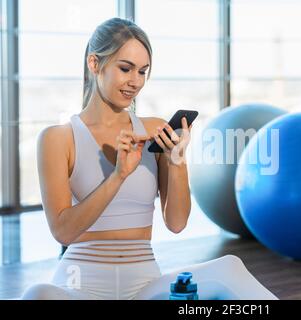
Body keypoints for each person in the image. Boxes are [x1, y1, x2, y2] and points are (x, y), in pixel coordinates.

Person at [20, 17, 277, 300]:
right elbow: (63, 232)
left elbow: (176, 223)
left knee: (229, 267)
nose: (135, 82)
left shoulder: (154, 129)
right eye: (125, 68)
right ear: (94, 64)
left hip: (144, 288)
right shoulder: (58, 138)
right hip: (80, 286)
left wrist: (176, 159)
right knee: (38, 294)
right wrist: (118, 176)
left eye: (143, 71)